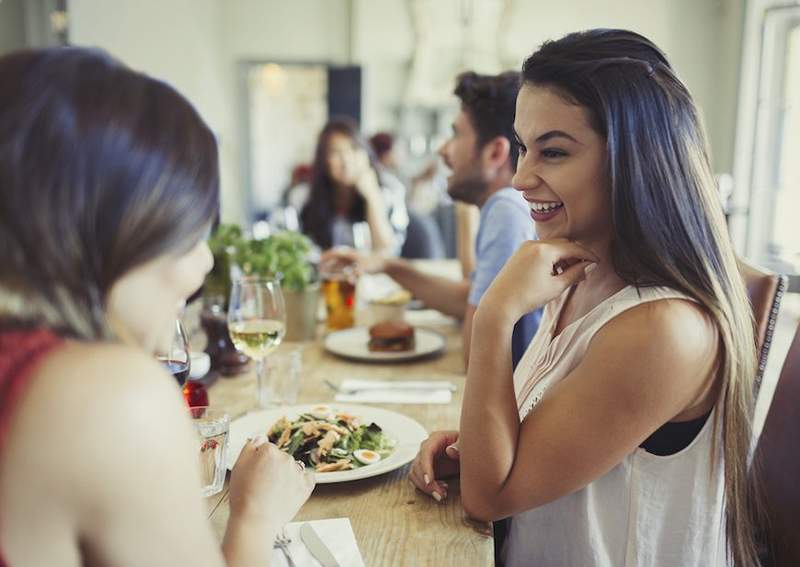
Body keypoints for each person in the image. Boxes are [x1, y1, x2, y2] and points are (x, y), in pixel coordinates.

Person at [410, 29, 764, 567]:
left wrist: (496, 317)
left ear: (635, 158)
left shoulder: (662, 327)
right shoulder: (578, 274)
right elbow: (545, 446)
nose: (522, 177)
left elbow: (489, 499)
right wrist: (477, 443)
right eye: (524, 148)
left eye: (552, 151)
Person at [0, 48, 314, 566]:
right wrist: (256, 517)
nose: (202, 265)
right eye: (190, 234)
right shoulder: (109, 398)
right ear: (110, 227)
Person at [324, 72, 542, 368]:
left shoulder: (506, 210)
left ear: (494, 152)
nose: (442, 150)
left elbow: (474, 358)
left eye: (456, 134)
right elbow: (466, 300)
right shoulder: (508, 206)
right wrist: (385, 265)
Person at [296, 118, 408, 255]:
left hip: (371, 275)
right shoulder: (304, 195)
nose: (346, 161)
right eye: (336, 153)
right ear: (323, 160)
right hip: (327, 274)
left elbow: (386, 252)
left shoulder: (391, 189)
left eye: (354, 149)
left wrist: (372, 196)